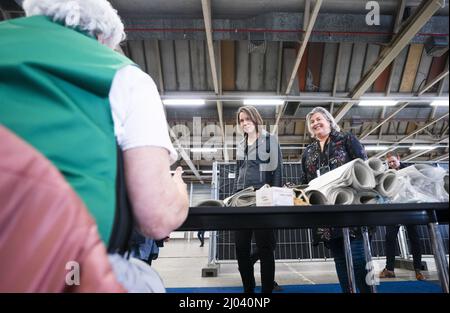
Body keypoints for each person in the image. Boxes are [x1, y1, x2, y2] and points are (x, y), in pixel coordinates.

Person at [0, 0, 189, 290]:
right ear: (103, 38)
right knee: (145, 279)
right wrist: (178, 190)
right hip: (69, 269)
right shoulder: (123, 75)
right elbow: (157, 219)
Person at [300, 106, 371, 293]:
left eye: (318, 119)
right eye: (312, 122)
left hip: (351, 211)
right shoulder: (308, 152)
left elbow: (364, 170)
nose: (315, 123)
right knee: (340, 260)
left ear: (329, 121)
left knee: (358, 259)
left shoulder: (347, 139)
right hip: (326, 217)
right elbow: (305, 182)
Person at [233, 105, 283, 293]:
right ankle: (248, 289)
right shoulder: (240, 144)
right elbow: (239, 170)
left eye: (247, 119)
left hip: (262, 196)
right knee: (240, 248)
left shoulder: (270, 140)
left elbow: (277, 170)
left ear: (255, 119)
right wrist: (234, 195)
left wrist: (274, 197)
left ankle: (266, 292)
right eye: (241, 120)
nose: (245, 123)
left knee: (265, 249)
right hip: (240, 197)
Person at [379, 153, 425, 281]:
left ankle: (417, 270)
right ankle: (390, 269)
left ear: (398, 159)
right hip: (393, 209)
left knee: (414, 238)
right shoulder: (386, 174)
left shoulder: (410, 170)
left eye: (393, 161)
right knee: (390, 238)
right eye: (389, 163)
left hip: (409, 208)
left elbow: (418, 186)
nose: (391, 164)